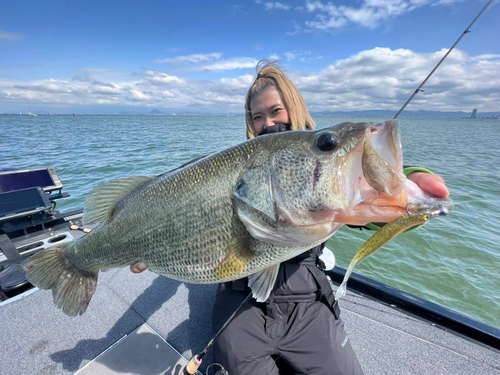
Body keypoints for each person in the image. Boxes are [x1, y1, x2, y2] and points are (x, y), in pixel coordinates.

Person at [131, 60, 449, 374]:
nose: (268, 123)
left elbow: (364, 197)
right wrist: (153, 247)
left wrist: (410, 182)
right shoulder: (246, 165)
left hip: (306, 297)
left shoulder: (313, 160)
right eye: (257, 117)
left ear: (295, 109)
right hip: (239, 297)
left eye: (275, 111)